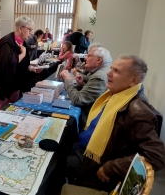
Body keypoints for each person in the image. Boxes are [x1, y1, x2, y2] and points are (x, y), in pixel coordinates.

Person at [67, 55, 165, 191]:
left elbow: (157, 156)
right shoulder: (116, 95)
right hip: (85, 149)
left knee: (52, 163)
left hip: (93, 166)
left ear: (133, 80)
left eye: (116, 71)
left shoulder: (138, 112)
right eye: (111, 68)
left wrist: (112, 167)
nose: (108, 73)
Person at [0, 16, 42, 113]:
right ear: (20, 28)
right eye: (29, 29)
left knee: (13, 108)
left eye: (32, 30)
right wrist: (23, 53)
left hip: (16, 82)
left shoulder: (22, 42)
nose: (31, 33)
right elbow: (10, 62)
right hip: (4, 82)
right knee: (1, 108)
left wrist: (31, 68)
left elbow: (24, 63)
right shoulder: (7, 42)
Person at [60, 46, 112, 129]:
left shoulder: (99, 77)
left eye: (89, 55)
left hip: (89, 118)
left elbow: (78, 100)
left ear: (99, 60)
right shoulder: (101, 71)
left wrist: (68, 79)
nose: (85, 57)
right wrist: (81, 85)